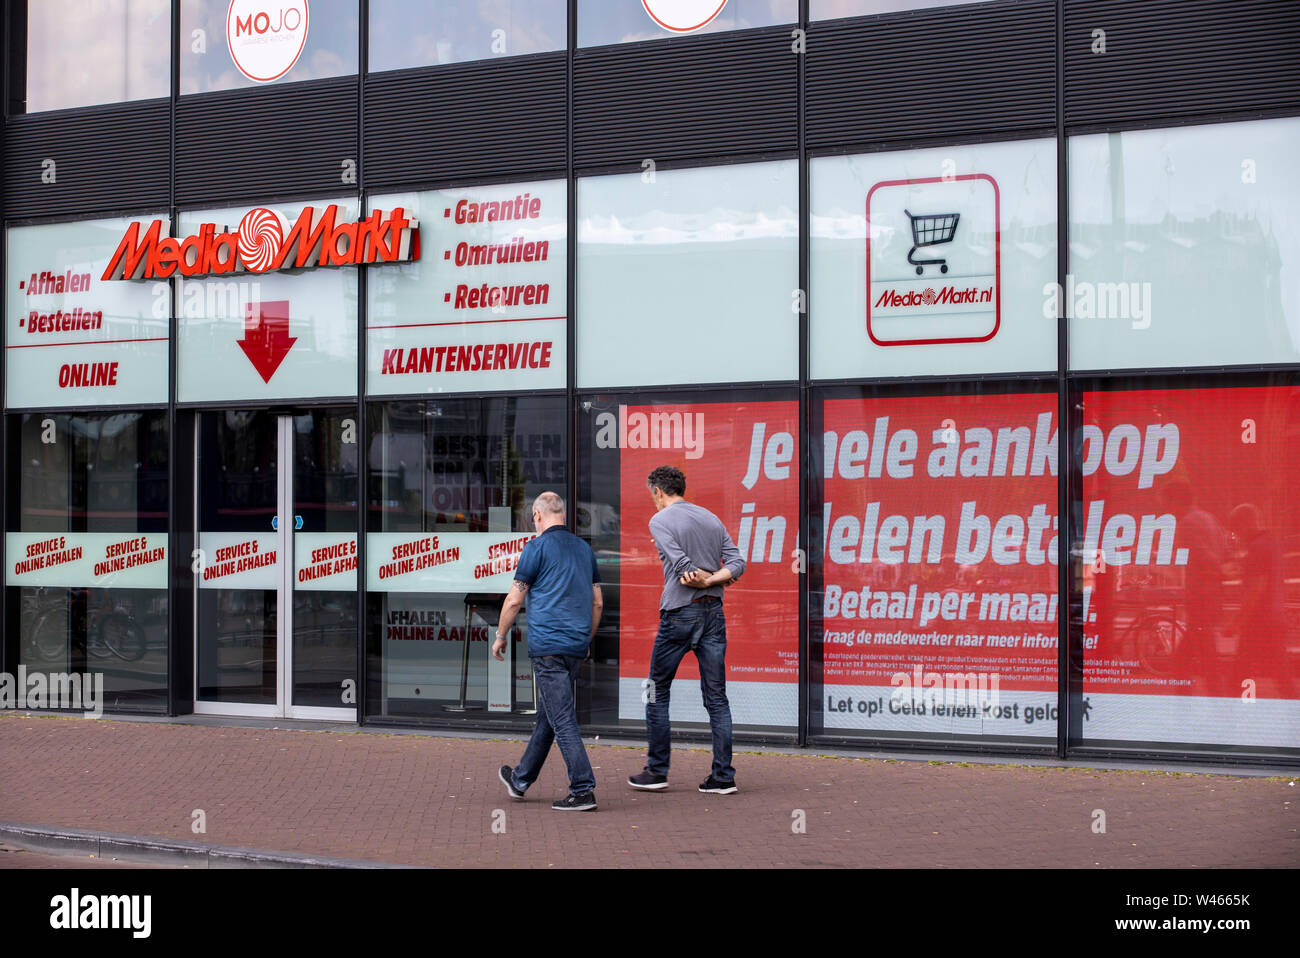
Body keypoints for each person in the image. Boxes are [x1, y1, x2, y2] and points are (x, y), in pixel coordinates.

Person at [628, 465, 746, 795]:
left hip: (679, 613)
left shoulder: (660, 521)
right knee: (717, 697)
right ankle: (723, 776)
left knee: (655, 688)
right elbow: (737, 563)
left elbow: (683, 569)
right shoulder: (711, 518)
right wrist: (714, 579)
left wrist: (701, 576)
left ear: (657, 491)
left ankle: (657, 769)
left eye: (651, 494)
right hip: (713, 614)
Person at [494, 491, 603, 811]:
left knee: (562, 717)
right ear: (564, 516)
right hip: (574, 647)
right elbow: (597, 603)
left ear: (537, 517)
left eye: (534, 519)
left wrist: (500, 635)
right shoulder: (585, 550)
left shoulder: (535, 548)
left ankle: (583, 788)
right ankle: (521, 778)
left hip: (548, 649)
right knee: (550, 715)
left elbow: (514, 599)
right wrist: (586, 640)